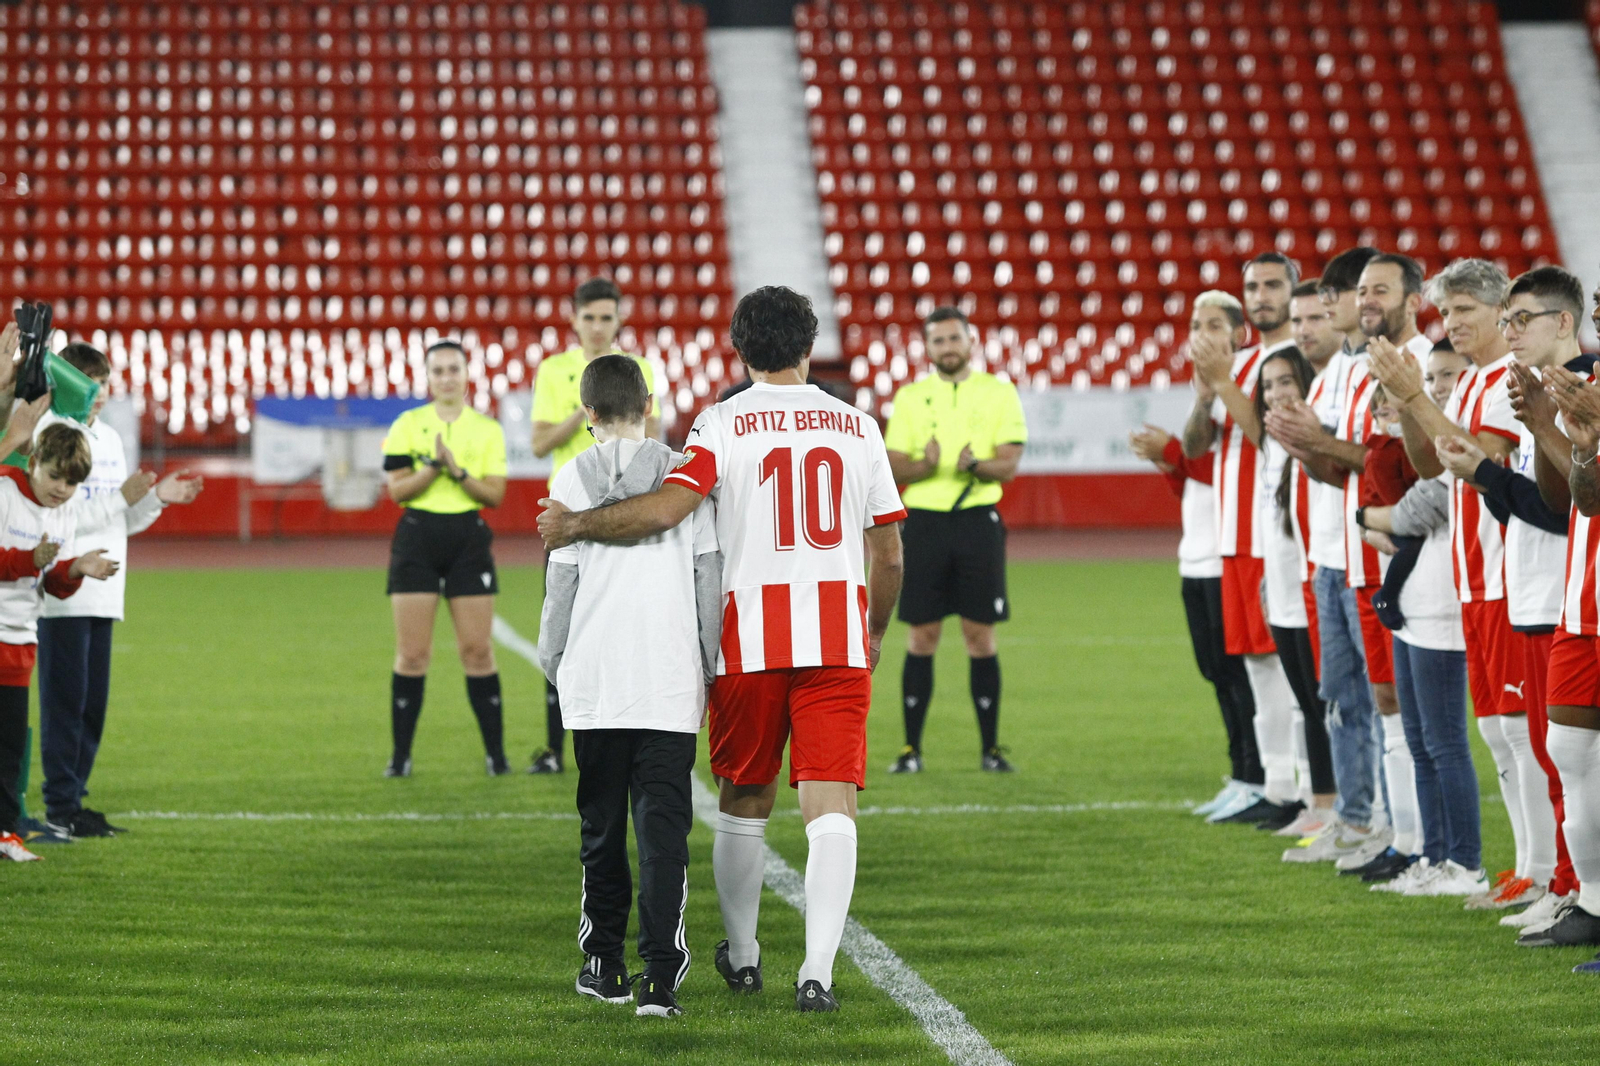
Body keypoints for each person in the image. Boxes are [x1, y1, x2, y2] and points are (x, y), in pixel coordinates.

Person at [539, 285, 906, 1013]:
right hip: (835, 634)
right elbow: (889, 551)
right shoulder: (857, 427)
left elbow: (672, 506)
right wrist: (874, 630)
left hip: (749, 640)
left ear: (739, 351)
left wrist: (579, 525)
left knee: (744, 799)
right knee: (831, 804)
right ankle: (819, 973)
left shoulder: (721, 423)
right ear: (808, 348)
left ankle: (741, 958)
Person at [538, 355, 722, 1019]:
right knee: (664, 833)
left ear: (586, 412)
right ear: (650, 400)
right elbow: (709, 577)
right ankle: (661, 977)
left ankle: (603, 962)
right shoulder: (685, 476)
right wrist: (710, 664)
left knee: (603, 827)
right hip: (669, 681)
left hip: (596, 680)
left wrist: (553, 661)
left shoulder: (569, 475)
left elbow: (561, 585)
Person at [1368, 258, 1533, 897]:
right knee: (1498, 735)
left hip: (1504, 578)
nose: (1454, 322)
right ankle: (1525, 872)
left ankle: (1536, 874)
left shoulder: (1503, 384)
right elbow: (1427, 463)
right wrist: (1412, 401)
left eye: (1466, 309)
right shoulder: (1466, 384)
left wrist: (1411, 395)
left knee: (1523, 739)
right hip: (1472, 580)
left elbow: (1477, 460)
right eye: (1447, 310)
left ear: (1500, 310)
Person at [35, 343, 202, 842]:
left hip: (106, 586)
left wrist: (155, 500)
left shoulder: (107, 439)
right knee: (65, 704)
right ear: (68, 382)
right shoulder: (50, 434)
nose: (101, 394)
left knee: (91, 705)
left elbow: (120, 519)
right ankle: (59, 807)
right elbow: (53, 516)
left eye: (105, 383)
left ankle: (73, 802)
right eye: (91, 383)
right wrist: (117, 500)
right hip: (64, 585)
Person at [881, 306, 1027, 773]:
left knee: (978, 634)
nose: (947, 347)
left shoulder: (999, 392)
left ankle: (990, 750)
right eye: (938, 340)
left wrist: (973, 466)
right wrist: (926, 465)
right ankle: (910, 751)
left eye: (953, 339)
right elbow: (892, 463)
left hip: (976, 519)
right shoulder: (909, 397)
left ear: (971, 341)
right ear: (927, 348)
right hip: (923, 521)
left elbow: (1008, 462)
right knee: (922, 634)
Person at [1180, 275, 1302, 826]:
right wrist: (1207, 394)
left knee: (1277, 665)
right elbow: (1195, 449)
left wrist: (1223, 382)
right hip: (1232, 537)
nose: (1201, 337)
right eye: (1195, 327)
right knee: (1253, 667)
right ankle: (1267, 783)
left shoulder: (1276, 367)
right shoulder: (1240, 371)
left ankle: (1289, 786)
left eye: (1213, 326)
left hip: (1264, 534)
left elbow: (1265, 436)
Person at [529, 277, 660, 775]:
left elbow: (656, 435)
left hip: (628, 511)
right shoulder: (554, 369)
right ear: (574, 319)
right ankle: (557, 746)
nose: (599, 326)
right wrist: (589, 407)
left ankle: (634, 726)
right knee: (562, 620)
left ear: (619, 319)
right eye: (590, 318)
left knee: (632, 619)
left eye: (607, 317)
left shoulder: (639, 368)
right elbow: (540, 443)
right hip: (569, 514)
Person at [379, 339, 509, 779]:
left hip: (467, 541)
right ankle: (400, 757)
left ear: (467, 375)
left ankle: (496, 755)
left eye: (454, 368)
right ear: (428, 377)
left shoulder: (487, 429)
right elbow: (397, 491)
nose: (447, 377)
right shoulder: (406, 425)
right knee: (413, 654)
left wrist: (457, 471)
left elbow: (493, 495)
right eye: (439, 370)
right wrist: (434, 467)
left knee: (477, 651)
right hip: (416, 539)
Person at [0, 415, 122, 862]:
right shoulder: (5, 490)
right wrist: (29, 558)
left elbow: (50, 582)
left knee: (9, 751)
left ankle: (4, 835)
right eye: (54, 476)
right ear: (32, 461)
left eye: (71, 483)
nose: (61, 489)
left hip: (19, 640)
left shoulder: (65, 510)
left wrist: (74, 569)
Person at [1128, 420, 1261, 817]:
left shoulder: (1240, 424)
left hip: (1226, 562)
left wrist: (1171, 451)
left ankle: (1258, 777)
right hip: (1196, 560)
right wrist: (1169, 464)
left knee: (1238, 676)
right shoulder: (1207, 419)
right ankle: (1241, 774)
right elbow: (1193, 487)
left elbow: (1223, 476)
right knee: (1216, 672)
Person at [1253, 345, 1340, 832]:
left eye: (1285, 381)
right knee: (1307, 702)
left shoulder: (1318, 439)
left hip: (1312, 591)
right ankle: (1320, 801)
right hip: (1284, 593)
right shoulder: (1271, 443)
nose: (1276, 393)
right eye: (1268, 386)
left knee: (1325, 703)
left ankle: (1335, 806)